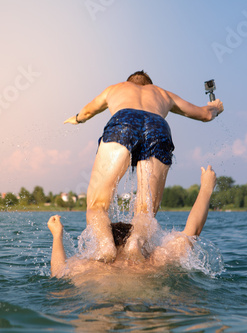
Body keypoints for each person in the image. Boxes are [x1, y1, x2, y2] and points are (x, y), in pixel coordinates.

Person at [64, 71, 224, 263]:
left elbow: (88, 112)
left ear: (129, 83)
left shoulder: (115, 89)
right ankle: (136, 243)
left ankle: (106, 245)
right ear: (149, 85)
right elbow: (205, 115)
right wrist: (214, 108)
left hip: (124, 120)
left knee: (97, 206)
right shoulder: (163, 94)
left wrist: (76, 118)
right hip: (158, 126)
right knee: (145, 212)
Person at [47, 165, 216, 279]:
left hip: (100, 302)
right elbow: (192, 230)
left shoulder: (85, 267)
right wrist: (207, 187)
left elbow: (58, 271)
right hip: (145, 303)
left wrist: (57, 235)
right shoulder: (156, 260)